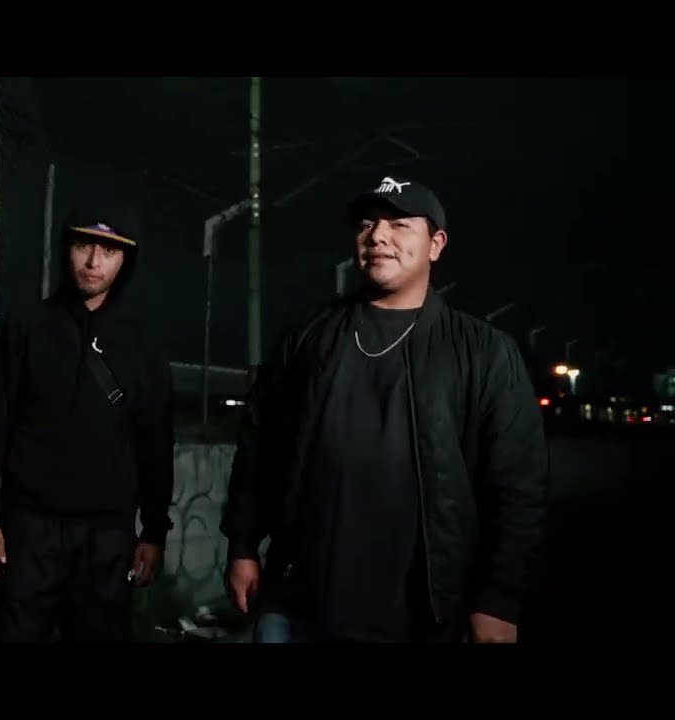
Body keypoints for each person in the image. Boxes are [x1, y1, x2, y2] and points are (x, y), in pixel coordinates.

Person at [221, 174, 549, 643]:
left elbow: (518, 484)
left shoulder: (484, 352)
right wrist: (242, 546)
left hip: (427, 613)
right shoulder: (308, 338)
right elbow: (259, 446)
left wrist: (498, 599)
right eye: (367, 225)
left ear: (436, 244)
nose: (377, 236)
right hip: (301, 605)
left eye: (399, 225)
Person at [0, 205, 175, 643]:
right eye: (83, 245)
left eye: (109, 251)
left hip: (108, 535)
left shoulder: (142, 342)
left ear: (126, 259)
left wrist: (154, 531)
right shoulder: (25, 326)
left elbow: (155, 440)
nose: (94, 262)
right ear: (66, 249)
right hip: (29, 529)